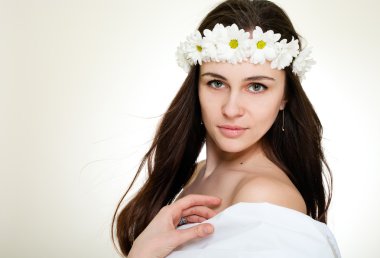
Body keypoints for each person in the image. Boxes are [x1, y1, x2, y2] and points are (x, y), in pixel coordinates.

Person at [111, 0, 341, 257]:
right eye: (217, 83)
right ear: (196, 85)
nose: (231, 109)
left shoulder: (265, 195)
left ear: (285, 96)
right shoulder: (195, 173)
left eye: (256, 87)